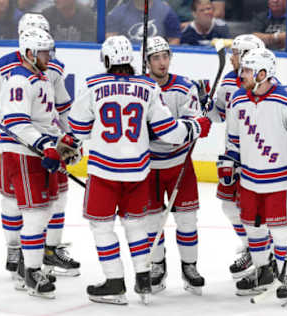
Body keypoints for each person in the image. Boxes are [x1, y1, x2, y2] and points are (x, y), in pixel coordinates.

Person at [68, 35, 211, 305]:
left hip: (104, 171)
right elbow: (169, 131)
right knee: (137, 225)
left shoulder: (93, 85)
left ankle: (114, 282)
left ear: (107, 60)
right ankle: (144, 277)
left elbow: (77, 129)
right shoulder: (148, 87)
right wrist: (195, 127)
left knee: (102, 226)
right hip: (139, 171)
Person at [0, 13, 80, 285]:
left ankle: (48, 250)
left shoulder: (52, 67)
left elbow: (62, 108)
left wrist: (70, 138)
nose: (46, 53)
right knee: (14, 200)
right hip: (16, 144)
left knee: (55, 197)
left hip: (49, 142)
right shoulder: (4, 67)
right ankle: (16, 253)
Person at [225, 47, 287, 302]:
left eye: (246, 70)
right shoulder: (237, 99)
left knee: (280, 231)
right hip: (249, 180)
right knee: (253, 230)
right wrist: (229, 163)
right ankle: (264, 271)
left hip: (279, 181)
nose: (241, 74)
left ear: (262, 74)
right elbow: (233, 139)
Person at [142, 36, 204, 295]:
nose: (162, 62)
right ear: (147, 62)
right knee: (152, 222)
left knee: (188, 221)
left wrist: (190, 127)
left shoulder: (184, 86)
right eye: (156, 58)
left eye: (165, 56)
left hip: (180, 165)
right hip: (150, 168)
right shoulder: (140, 88)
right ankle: (157, 265)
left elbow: (195, 123)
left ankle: (190, 267)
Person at [205, 34, 265, 281]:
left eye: (236, 53)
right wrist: (207, 104)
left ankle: (263, 253)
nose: (231, 58)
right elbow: (218, 115)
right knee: (229, 204)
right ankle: (251, 246)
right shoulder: (230, 81)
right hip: (232, 153)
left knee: (256, 210)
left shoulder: (265, 83)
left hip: (257, 157)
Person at [106, 0, 181, 44]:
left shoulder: (166, 12)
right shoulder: (119, 12)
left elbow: (175, 39)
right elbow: (110, 39)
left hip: (156, 59)